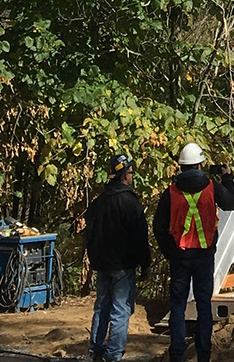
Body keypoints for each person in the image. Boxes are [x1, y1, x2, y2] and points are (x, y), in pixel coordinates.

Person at [153, 143, 234, 362]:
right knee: (203, 307)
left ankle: (177, 355)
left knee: (178, 307)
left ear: (181, 167)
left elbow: (158, 226)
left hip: (179, 256)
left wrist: (169, 251)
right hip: (204, 255)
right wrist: (227, 177)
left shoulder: (171, 192)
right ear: (200, 164)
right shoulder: (211, 186)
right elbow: (232, 203)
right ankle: (203, 355)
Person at [83, 153, 149, 362]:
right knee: (121, 309)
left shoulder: (98, 203)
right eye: (130, 172)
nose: (132, 176)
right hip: (122, 265)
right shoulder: (129, 203)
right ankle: (112, 354)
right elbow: (140, 237)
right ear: (124, 176)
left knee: (102, 306)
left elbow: (89, 231)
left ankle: (96, 349)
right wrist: (145, 264)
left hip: (102, 265)